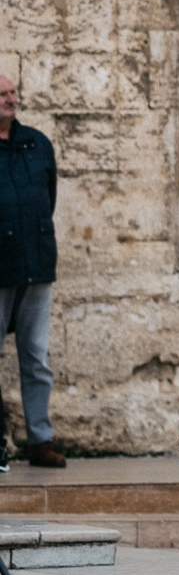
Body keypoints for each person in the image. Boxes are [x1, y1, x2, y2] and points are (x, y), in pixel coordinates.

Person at [0, 73, 65, 470]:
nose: (10, 100)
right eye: (2, 95)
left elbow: (49, 197)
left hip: (36, 263)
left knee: (36, 358)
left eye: (12, 93)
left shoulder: (36, 143)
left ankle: (40, 439)